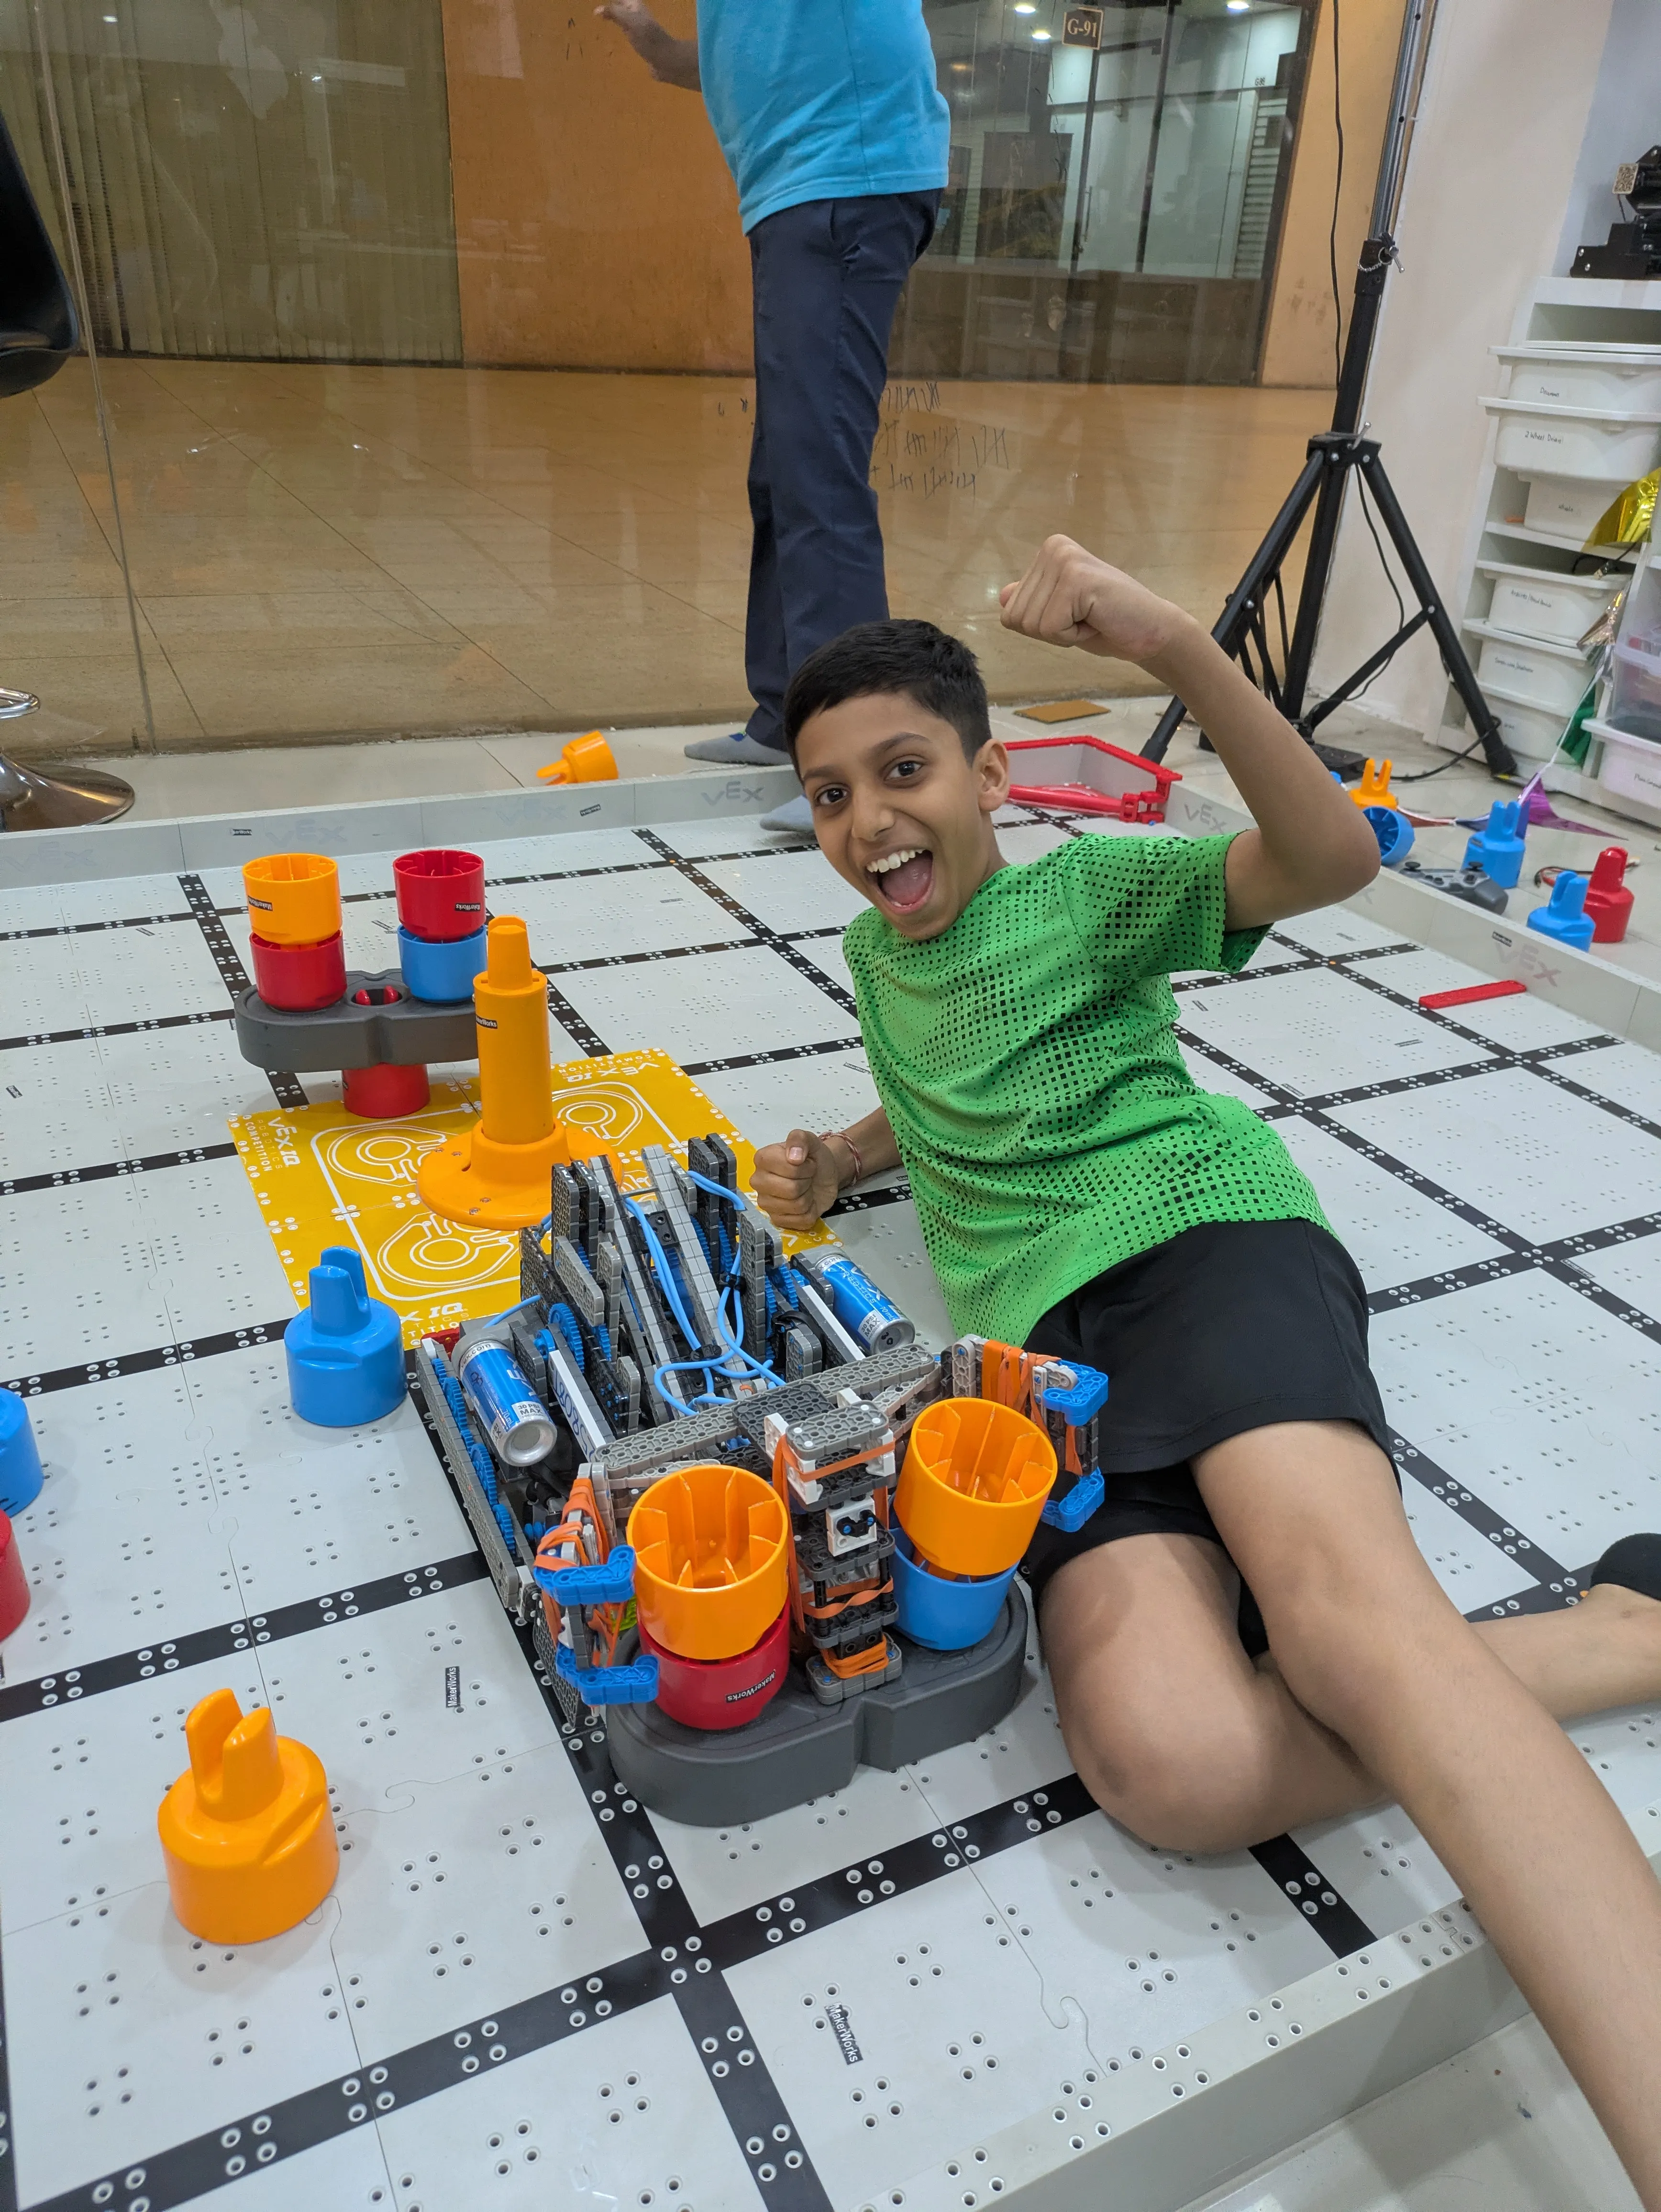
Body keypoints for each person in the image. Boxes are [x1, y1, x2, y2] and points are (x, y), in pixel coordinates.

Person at [748, 534, 1661, 2208]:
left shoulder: (1083, 889)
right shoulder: (882, 955)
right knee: (1172, 1766)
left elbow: (1324, 856)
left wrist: (1174, 643)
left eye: (902, 771)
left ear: (988, 773)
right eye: (826, 796)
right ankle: (1614, 1640)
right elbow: (956, 1094)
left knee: (1347, 1633)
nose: (869, 822)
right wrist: (847, 1159)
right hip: (1038, 1373)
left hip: (1196, 1243)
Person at [595, 0, 947, 836]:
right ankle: (787, 718)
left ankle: (863, 762)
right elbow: (725, 64)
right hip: (804, 187)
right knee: (785, 471)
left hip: (845, 176)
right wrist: (664, 48)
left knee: (817, 470)